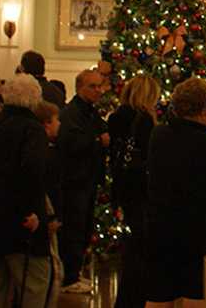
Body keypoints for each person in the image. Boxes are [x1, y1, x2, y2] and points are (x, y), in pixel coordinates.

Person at [145, 77, 206, 308]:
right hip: (199, 230)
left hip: (161, 226)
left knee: (159, 294)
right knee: (196, 294)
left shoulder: (159, 135)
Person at [0, 74, 55, 308]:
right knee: (33, 285)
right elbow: (33, 173)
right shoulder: (32, 130)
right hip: (20, 224)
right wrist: (34, 213)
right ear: (35, 99)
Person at [109, 75, 159, 308]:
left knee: (132, 248)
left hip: (123, 188)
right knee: (141, 248)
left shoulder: (116, 117)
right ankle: (136, 299)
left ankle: (126, 300)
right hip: (140, 189)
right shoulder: (145, 120)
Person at [58, 69, 109, 294]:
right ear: (80, 87)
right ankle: (69, 277)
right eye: (93, 86)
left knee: (83, 227)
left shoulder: (89, 112)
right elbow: (71, 143)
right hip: (74, 182)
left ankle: (74, 273)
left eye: (100, 86)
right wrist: (98, 141)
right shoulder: (71, 113)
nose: (99, 91)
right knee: (73, 229)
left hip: (87, 181)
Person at [33, 101, 65, 307]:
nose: (60, 124)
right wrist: (53, 217)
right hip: (46, 216)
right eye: (56, 120)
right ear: (46, 124)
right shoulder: (45, 153)